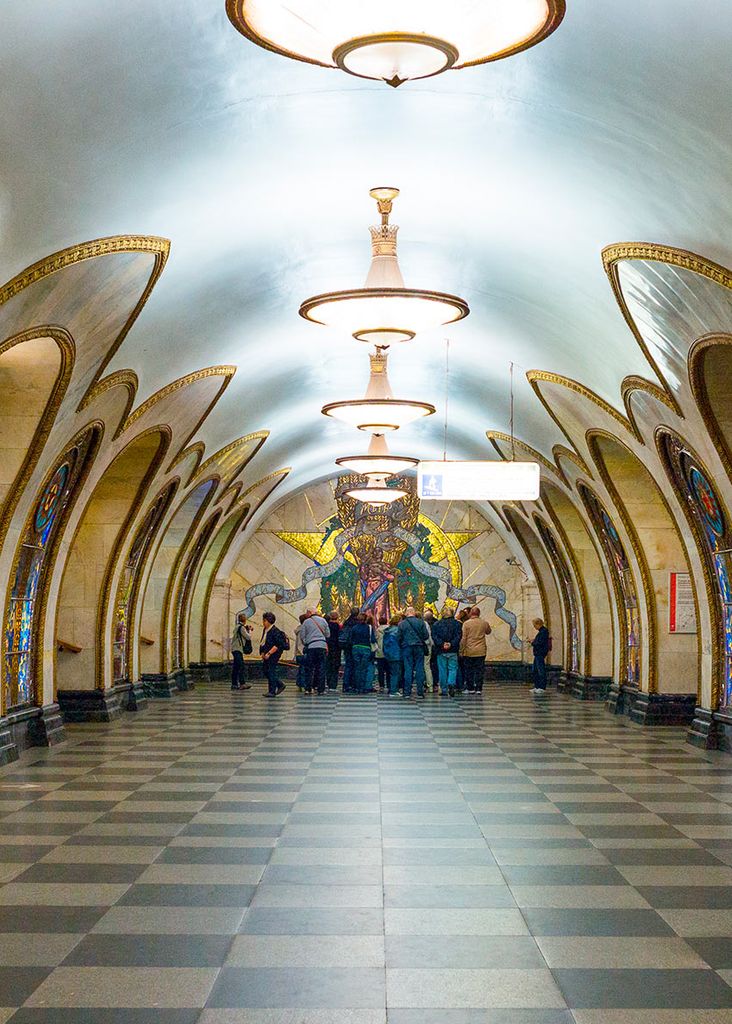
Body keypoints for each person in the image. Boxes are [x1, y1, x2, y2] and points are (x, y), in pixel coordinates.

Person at [398, 606, 430, 699]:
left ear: (406, 613)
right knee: (420, 668)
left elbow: (398, 637)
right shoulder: (421, 622)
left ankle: (407, 692)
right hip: (419, 647)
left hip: (406, 647)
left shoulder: (402, 624)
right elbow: (426, 635)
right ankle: (420, 692)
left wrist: (402, 644)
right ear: (414, 612)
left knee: (408, 669)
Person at [431, 606, 463, 696]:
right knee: (453, 668)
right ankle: (451, 683)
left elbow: (434, 636)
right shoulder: (457, 624)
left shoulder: (436, 624)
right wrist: (451, 644)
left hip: (441, 651)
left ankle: (444, 689)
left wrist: (442, 644)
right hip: (453, 650)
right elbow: (459, 636)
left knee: (442, 669)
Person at [460, 606, 492, 694]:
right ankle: (479, 688)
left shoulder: (466, 624)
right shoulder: (484, 623)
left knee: (469, 670)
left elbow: (464, 638)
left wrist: (461, 650)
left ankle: (470, 688)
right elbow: (489, 632)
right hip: (481, 650)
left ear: (471, 613)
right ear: (479, 614)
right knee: (479, 670)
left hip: (469, 650)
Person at [299, 607, 330, 694]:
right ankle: (321, 689)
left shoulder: (306, 622)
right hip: (322, 646)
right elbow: (328, 634)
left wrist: (307, 642)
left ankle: (308, 688)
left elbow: (302, 635)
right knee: (321, 668)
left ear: (309, 613)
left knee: (309, 668)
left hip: (311, 647)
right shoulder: (323, 621)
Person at [260, 611, 288, 697]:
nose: (263, 622)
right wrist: (262, 652)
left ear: (268, 621)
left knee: (271, 671)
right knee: (266, 671)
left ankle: (272, 691)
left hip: (273, 654)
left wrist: (269, 653)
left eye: (264, 620)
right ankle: (279, 684)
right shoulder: (266, 630)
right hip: (266, 654)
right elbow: (264, 642)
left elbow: (278, 644)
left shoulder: (275, 631)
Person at [351, 613, 376, 693]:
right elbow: (372, 639)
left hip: (356, 648)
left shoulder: (354, 628)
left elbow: (351, 638)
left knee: (357, 668)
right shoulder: (369, 628)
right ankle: (363, 687)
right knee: (364, 668)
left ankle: (357, 687)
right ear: (365, 619)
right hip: (366, 648)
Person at [230, 612, 253, 691]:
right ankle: (242, 683)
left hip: (235, 649)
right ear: (245, 620)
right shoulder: (241, 628)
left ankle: (234, 684)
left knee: (236, 667)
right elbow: (248, 637)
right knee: (241, 666)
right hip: (238, 649)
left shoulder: (238, 626)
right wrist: (250, 631)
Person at [530, 617, 551, 694]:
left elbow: (539, 643)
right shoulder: (541, 632)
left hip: (540, 654)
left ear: (538, 624)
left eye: (534, 625)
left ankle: (542, 687)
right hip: (537, 654)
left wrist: (532, 642)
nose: (534, 627)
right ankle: (537, 686)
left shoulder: (544, 631)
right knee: (535, 670)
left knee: (540, 670)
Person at [340, 608, 358, 693]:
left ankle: (346, 685)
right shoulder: (357, 623)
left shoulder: (346, 622)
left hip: (347, 646)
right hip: (354, 645)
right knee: (355, 665)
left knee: (348, 665)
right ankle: (354, 684)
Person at [383, 615, 402, 695]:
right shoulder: (398, 631)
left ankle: (390, 688)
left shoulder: (387, 631)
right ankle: (394, 690)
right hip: (396, 653)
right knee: (396, 673)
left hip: (388, 653)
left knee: (390, 672)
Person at [424, 609, 439, 693]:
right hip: (436, 647)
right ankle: (435, 684)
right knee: (435, 666)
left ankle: (427, 684)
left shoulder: (424, 624)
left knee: (426, 666)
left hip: (427, 647)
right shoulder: (437, 623)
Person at [326, 612, 341, 690]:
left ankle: (328, 683)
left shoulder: (327, 625)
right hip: (336, 648)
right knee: (335, 667)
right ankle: (333, 685)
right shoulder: (338, 626)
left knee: (329, 666)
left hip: (328, 647)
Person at [456, 608, 470, 692]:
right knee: (465, 667)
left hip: (460, 648)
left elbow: (462, 639)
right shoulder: (466, 624)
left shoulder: (459, 625)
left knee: (458, 667)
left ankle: (459, 684)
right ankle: (465, 683)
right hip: (468, 649)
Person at [374, 615, 389, 691]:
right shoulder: (390, 629)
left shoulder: (377, 630)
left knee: (381, 671)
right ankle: (389, 685)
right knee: (389, 670)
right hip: (389, 652)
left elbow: (375, 640)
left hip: (380, 652)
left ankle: (381, 686)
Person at [294, 612, 308, 690]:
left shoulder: (298, 629)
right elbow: (302, 641)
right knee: (303, 669)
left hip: (298, 653)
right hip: (302, 652)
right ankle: (303, 684)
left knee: (300, 668)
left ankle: (299, 683)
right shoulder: (303, 630)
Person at [422, 610, 435, 692]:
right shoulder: (426, 624)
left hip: (419, 647)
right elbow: (429, 637)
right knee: (427, 666)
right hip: (427, 647)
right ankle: (430, 686)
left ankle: (422, 684)